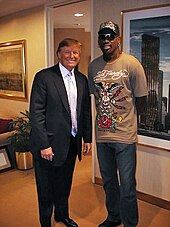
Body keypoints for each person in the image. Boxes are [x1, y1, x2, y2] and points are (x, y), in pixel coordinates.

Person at [88, 21, 148, 227]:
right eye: (102, 36)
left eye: (110, 36)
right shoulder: (94, 66)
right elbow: (95, 97)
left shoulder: (132, 64)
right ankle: (114, 217)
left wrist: (128, 121)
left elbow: (141, 100)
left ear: (118, 39)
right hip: (102, 135)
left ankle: (130, 223)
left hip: (124, 137)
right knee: (108, 182)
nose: (106, 40)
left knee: (128, 186)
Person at [29, 38, 92, 227]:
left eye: (76, 53)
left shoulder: (82, 79)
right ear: (59, 54)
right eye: (67, 52)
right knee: (46, 188)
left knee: (64, 184)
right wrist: (44, 145)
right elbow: (36, 113)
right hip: (48, 146)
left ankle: (61, 215)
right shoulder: (44, 77)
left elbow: (85, 112)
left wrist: (87, 138)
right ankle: (46, 221)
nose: (72, 56)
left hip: (71, 143)